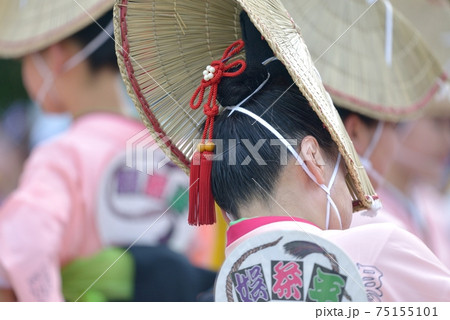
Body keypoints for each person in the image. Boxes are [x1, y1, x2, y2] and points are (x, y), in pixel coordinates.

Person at [114, 0, 450, 301]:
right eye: (346, 172)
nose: (353, 196)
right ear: (312, 159)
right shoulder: (377, 250)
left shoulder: (214, 296)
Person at [0, 0, 216, 301]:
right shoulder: (175, 154)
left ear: (55, 54)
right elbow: (200, 257)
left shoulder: (63, 156)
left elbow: (23, 245)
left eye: (27, 59)